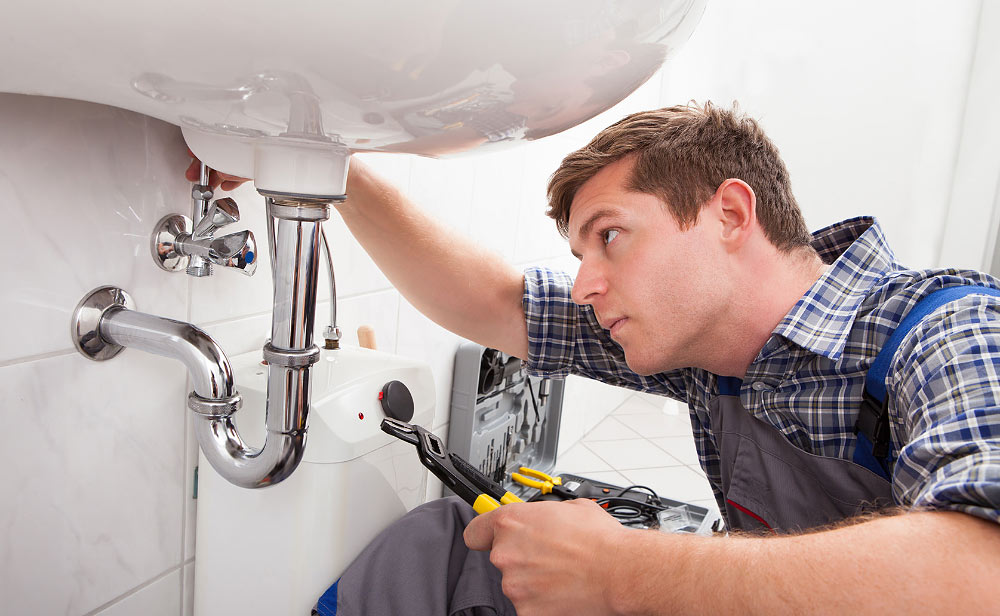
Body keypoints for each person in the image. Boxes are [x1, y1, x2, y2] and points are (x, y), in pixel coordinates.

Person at [189, 102, 1000, 614]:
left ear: (728, 213)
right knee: (449, 547)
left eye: (609, 236)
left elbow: (979, 576)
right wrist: (322, 165)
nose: (584, 283)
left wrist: (627, 572)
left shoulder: (950, 331)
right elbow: (500, 302)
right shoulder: (703, 356)